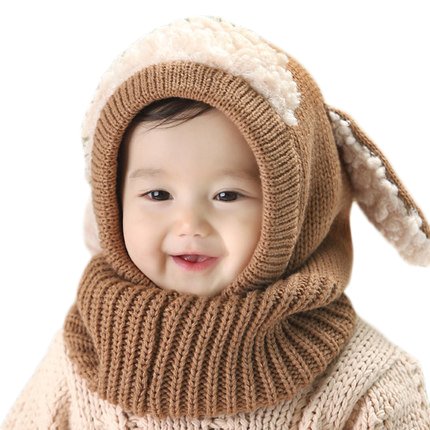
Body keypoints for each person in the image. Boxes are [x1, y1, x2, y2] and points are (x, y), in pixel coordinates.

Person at [2, 15, 430, 429]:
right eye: (158, 195)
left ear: (296, 210)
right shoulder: (82, 351)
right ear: (112, 204)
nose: (190, 225)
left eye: (227, 195)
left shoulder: (368, 383)